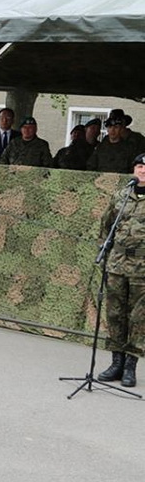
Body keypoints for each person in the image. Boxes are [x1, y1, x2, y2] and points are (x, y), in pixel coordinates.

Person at [96, 152, 145, 388]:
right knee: (115, 313)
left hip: (142, 268)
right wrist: (104, 252)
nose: (142, 171)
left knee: (137, 318)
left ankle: (129, 367)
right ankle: (115, 362)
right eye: (139, 166)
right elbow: (106, 226)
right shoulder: (121, 195)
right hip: (116, 264)